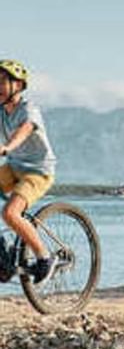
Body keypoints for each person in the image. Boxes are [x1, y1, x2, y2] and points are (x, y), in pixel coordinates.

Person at [0, 59, 58, 283]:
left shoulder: (28, 108)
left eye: (3, 82)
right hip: (14, 167)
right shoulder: (2, 112)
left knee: (10, 214)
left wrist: (7, 147)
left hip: (38, 171)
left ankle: (44, 257)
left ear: (18, 85)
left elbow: (25, 129)